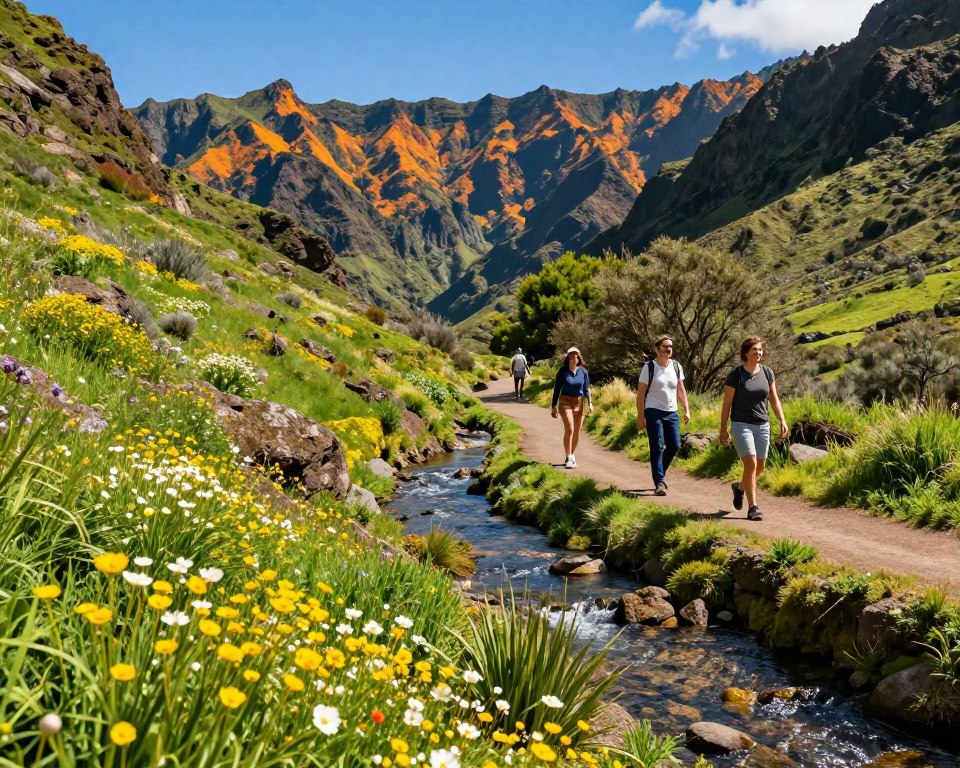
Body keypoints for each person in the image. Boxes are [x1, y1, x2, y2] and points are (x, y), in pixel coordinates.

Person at [718, 335, 788, 521]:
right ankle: (753, 507)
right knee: (751, 463)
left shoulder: (767, 373)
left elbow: (773, 399)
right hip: (741, 425)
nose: (758, 353)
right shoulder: (736, 374)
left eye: (760, 350)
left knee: (760, 466)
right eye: (754, 350)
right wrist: (723, 428)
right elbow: (727, 404)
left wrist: (782, 420)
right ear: (745, 353)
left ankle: (739, 488)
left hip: (762, 425)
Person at [636, 335, 690, 496]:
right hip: (653, 411)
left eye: (670, 346)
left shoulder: (676, 367)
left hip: (671, 412)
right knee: (657, 446)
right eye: (665, 346)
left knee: (674, 445)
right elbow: (641, 393)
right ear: (657, 348)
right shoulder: (649, 367)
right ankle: (659, 481)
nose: (668, 349)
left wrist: (686, 408)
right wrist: (640, 415)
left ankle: (660, 473)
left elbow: (681, 389)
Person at [551, 346, 593, 468]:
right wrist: (553, 406)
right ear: (567, 357)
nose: (573, 357)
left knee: (576, 431)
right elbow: (557, 389)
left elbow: (586, 389)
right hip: (565, 401)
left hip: (579, 403)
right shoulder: (562, 371)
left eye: (575, 355)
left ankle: (572, 454)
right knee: (569, 428)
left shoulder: (583, 372)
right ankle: (569, 457)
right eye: (571, 355)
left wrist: (590, 403)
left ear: (579, 357)